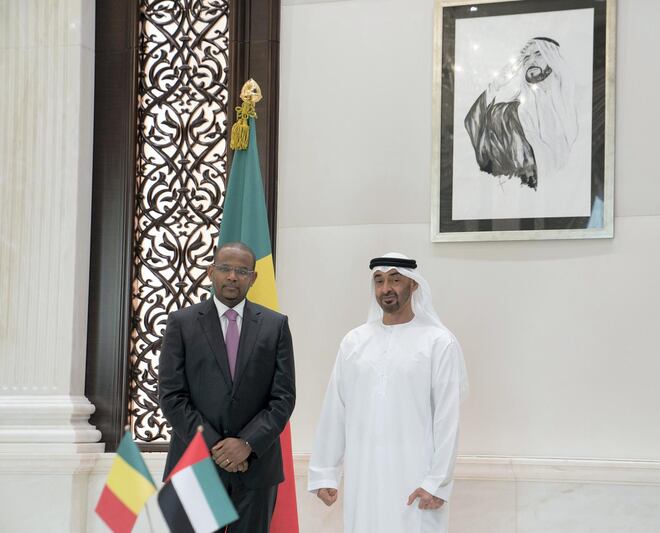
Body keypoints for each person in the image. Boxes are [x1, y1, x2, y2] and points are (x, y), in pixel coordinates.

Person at [308, 252, 469, 533]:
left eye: (395, 279)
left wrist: (437, 482)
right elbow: (336, 409)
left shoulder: (438, 342)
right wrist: (325, 473)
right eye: (379, 281)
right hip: (364, 476)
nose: (386, 288)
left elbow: (447, 418)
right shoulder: (354, 341)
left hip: (415, 480)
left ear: (414, 285)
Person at [159, 241, 296, 532]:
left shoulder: (275, 326)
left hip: (256, 468)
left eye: (242, 270)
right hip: (196, 464)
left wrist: (246, 444)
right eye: (224, 268)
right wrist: (217, 447)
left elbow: (283, 398)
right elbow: (172, 396)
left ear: (253, 277)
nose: (232, 276)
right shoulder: (181, 323)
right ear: (211, 272)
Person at [464, 36, 578, 189]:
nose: (531, 61)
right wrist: (497, 83)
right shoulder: (505, 115)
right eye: (526, 58)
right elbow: (475, 122)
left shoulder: (575, 106)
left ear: (553, 58)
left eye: (538, 54)